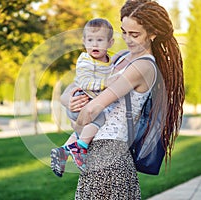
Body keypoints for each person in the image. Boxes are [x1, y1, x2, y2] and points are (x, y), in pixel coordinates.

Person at [57, 0, 185, 198]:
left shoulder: (142, 67)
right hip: (97, 151)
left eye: (134, 34)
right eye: (124, 31)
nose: (127, 39)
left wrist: (77, 134)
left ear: (153, 34)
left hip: (110, 152)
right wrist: (70, 100)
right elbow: (70, 90)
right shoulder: (120, 58)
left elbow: (93, 109)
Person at [51, 18, 118, 177]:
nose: (94, 44)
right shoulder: (85, 60)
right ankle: (80, 147)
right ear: (84, 41)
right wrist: (105, 83)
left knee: (84, 129)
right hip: (81, 100)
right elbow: (84, 82)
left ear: (110, 42)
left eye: (100, 40)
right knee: (99, 119)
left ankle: (63, 151)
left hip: (90, 101)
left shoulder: (110, 61)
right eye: (90, 40)